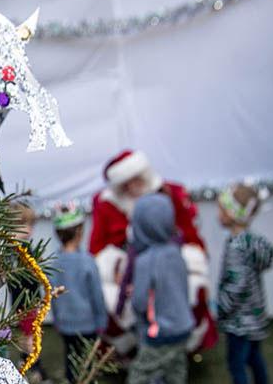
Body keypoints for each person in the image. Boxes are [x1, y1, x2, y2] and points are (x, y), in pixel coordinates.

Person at [90, 149, 217, 355]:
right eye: (126, 183)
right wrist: (117, 269)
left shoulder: (168, 195)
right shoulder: (107, 204)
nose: (132, 187)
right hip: (128, 270)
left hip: (160, 271)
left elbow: (192, 242)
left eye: (136, 180)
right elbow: (96, 250)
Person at [126, 194, 201, 384]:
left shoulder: (146, 260)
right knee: (177, 381)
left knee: (136, 382)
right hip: (183, 329)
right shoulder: (176, 253)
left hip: (161, 334)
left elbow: (137, 301)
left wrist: (143, 314)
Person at [217, 184, 273, 384]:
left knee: (236, 365)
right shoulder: (254, 242)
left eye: (221, 210)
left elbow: (236, 285)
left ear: (232, 214)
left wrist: (222, 309)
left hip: (239, 322)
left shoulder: (236, 246)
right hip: (257, 316)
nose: (218, 214)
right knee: (255, 359)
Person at [49, 207, 107, 383]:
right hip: (88, 325)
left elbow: (52, 296)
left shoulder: (54, 263)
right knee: (88, 363)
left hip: (66, 324)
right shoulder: (87, 261)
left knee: (71, 359)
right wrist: (101, 321)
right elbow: (97, 295)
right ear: (80, 232)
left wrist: (57, 320)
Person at [10, 203, 48, 380]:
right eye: (25, 225)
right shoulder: (15, 251)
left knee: (31, 336)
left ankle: (30, 365)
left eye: (31, 225)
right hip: (24, 304)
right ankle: (32, 367)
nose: (29, 230)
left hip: (31, 302)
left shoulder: (25, 248)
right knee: (30, 338)